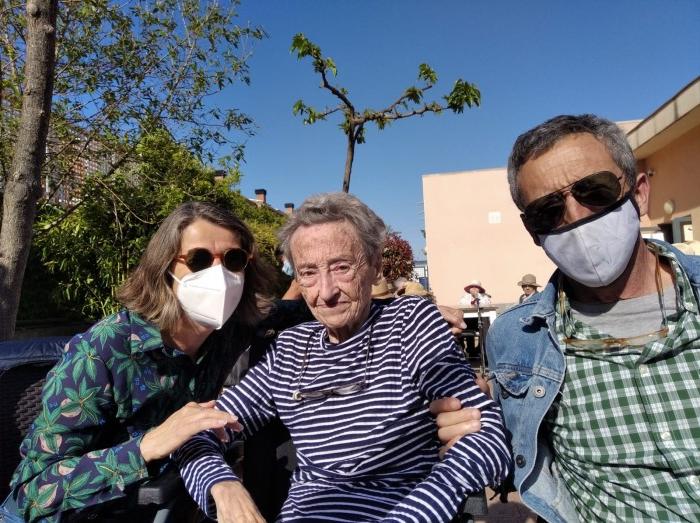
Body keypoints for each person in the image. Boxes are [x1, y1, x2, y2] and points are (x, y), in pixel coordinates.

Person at [175, 192, 511, 522]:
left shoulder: (411, 325)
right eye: (308, 272)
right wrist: (223, 486)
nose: (326, 292)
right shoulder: (289, 350)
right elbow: (195, 434)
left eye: (341, 267)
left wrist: (418, 510)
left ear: (375, 266)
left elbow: (487, 439)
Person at [483, 114, 700, 522]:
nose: (576, 215)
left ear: (639, 193)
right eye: (548, 210)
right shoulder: (518, 338)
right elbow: (509, 451)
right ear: (532, 231)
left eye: (594, 190)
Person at [1, 202, 276, 522]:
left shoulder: (228, 334)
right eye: (199, 260)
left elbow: (312, 303)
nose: (220, 276)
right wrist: (147, 446)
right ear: (165, 268)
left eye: (233, 260)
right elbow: (33, 495)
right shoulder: (103, 349)